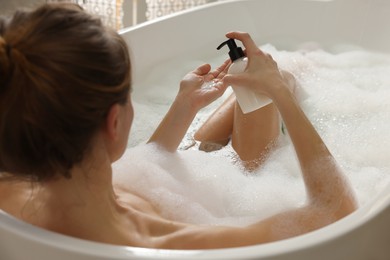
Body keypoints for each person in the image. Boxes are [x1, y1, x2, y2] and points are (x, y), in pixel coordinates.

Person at [0, 3, 356, 249]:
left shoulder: (11, 197)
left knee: (239, 102)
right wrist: (279, 93)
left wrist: (184, 108)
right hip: (227, 187)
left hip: (180, 177)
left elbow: (138, 168)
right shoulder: (168, 242)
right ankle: (293, 74)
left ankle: (293, 71)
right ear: (114, 122)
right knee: (270, 96)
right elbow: (337, 213)